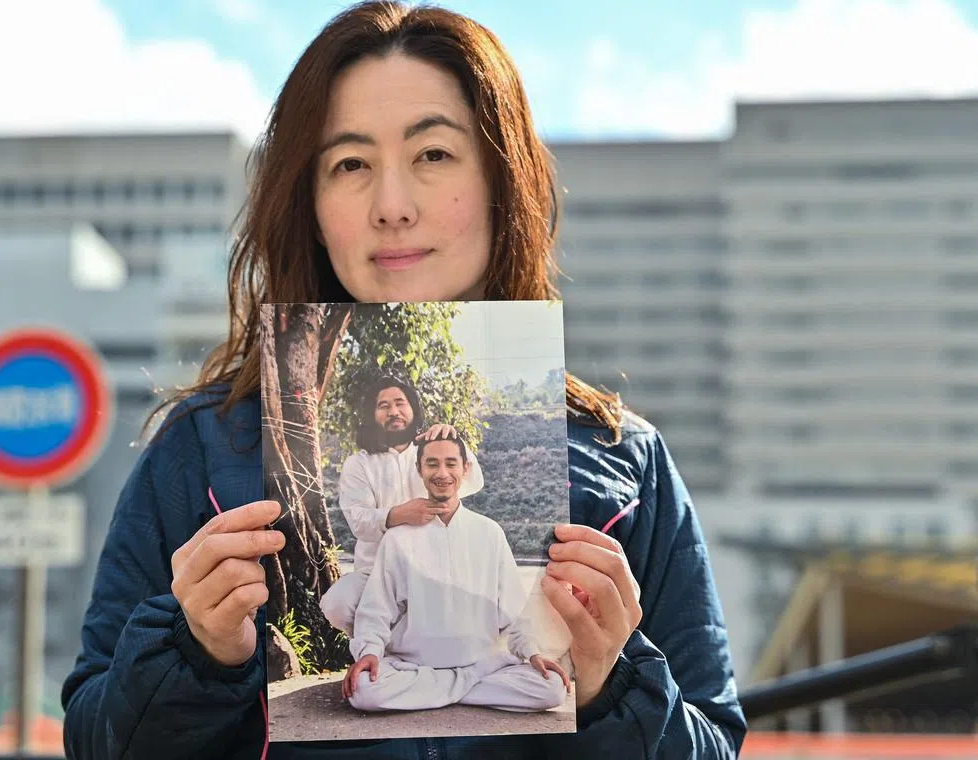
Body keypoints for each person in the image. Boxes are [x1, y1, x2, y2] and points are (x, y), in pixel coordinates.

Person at [61, 2, 748, 758]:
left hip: (487, 668)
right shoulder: (203, 450)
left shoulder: (626, 461)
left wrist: (611, 686)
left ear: (499, 180)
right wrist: (193, 653)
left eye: (433, 156)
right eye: (350, 165)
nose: (393, 207)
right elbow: (97, 742)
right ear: (311, 205)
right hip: (393, 667)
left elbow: (713, 739)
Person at [343, 435, 569, 714]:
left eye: (451, 463)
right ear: (419, 470)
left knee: (552, 688)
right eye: (432, 464)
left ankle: (437, 692)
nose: (442, 473)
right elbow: (376, 609)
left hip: (481, 666)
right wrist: (369, 653)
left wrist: (533, 653)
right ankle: (466, 690)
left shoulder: (489, 532)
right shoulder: (397, 538)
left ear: (465, 469)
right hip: (413, 665)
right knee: (364, 691)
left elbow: (515, 613)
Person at [320, 374, 485, 637]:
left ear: (413, 409)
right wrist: (399, 515)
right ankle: (377, 648)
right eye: (383, 406)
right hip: (374, 573)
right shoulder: (358, 464)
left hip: (431, 571)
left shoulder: (431, 452)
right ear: (372, 414)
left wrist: (452, 440)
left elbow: (473, 481)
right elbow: (359, 522)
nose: (393, 411)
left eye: (400, 403)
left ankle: (405, 650)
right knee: (337, 604)